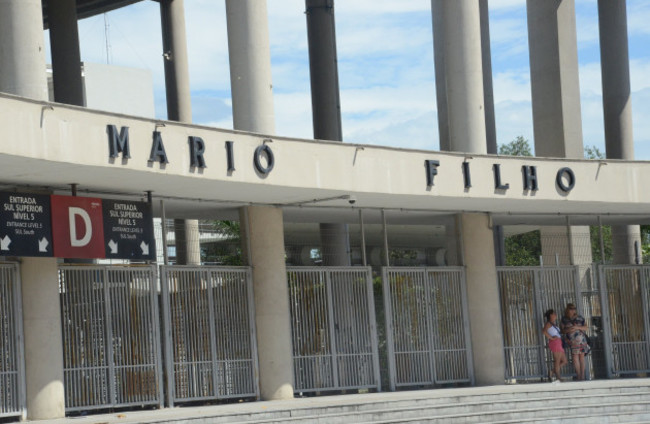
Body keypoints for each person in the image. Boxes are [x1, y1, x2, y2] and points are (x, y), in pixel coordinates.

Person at [561, 303, 590, 381]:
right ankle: (579, 375)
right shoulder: (564, 319)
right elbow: (562, 330)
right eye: (571, 308)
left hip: (581, 339)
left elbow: (586, 327)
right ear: (567, 309)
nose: (573, 310)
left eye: (574, 308)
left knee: (581, 357)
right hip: (572, 340)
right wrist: (569, 330)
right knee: (575, 357)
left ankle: (582, 376)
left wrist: (577, 327)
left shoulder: (580, 318)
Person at [543, 309, 568, 382]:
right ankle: (558, 377)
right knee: (557, 361)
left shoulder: (553, 324)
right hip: (555, 342)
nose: (555, 315)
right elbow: (544, 331)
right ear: (550, 315)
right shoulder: (548, 323)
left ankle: (552, 372)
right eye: (554, 313)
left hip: (559, 342)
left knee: (564, 361)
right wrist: (551, 338)